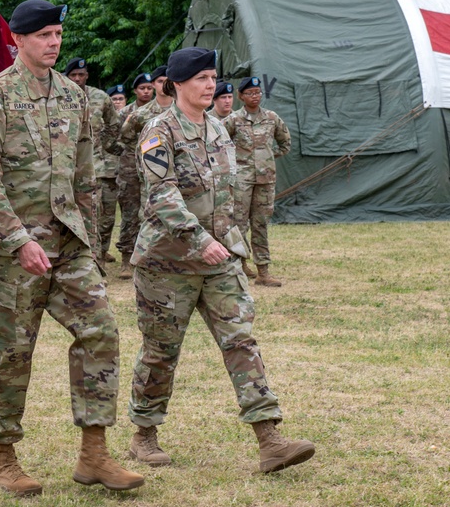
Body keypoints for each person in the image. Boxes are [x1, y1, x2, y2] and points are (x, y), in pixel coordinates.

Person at [0, 0, 144, 496]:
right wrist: (17, 237)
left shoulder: (74, 96)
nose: (54, 43)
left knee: (101, 331)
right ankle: (3, 458)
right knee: (13, 352)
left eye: (59, 34)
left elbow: (85, 175)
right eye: (44, 35)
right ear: (16, 40)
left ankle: (94, 454)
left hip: (68, 245)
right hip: (10, 251)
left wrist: (89, 240)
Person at [127, 47, 315, 473]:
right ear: (177, 84)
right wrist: (197, 237)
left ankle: (270, 439)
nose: (210, 86)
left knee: (240, 340)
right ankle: (144, 434)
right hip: (167, 261)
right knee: (161, 350)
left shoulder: (217, 128)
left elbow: (226, 194)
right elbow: (162, 195)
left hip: (219, 258)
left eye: (213, 78)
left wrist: (230, 243)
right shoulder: (159, 132)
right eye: (201, 79)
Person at [224, 77, 291, 287]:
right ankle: (239, 265)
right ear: (241, 96)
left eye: (258, 92)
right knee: (239, 223)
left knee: (260, 224)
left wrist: (267, 157)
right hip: (241, 180)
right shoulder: (233, 120)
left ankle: (263, 271)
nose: (255, 96)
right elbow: (219, 144)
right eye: (250, 93)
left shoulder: (271, 117)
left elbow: (285, 142)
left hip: (266, 179)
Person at [64, 57, 122, 265]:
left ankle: (100, 254)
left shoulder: (100, 97)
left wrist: (104, 145)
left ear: (87, 76)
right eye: (73, 75)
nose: (78, 79)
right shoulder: (60, 97)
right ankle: (88, 260)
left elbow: (114, 125)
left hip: (99, 166)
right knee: (83, 216)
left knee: (103, 216)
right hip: (70, 168)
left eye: (81, 75)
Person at [116, 66, 171, 279]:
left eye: (167, 81)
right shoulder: (141, 114)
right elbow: (126, 136)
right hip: (138, 171)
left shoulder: (180, 111)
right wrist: (141, 155)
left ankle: (159, 257)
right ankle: (127, 258)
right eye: (159, 82)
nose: (162, 85)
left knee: (161, 213)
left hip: (167, 174)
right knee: (132, 213)